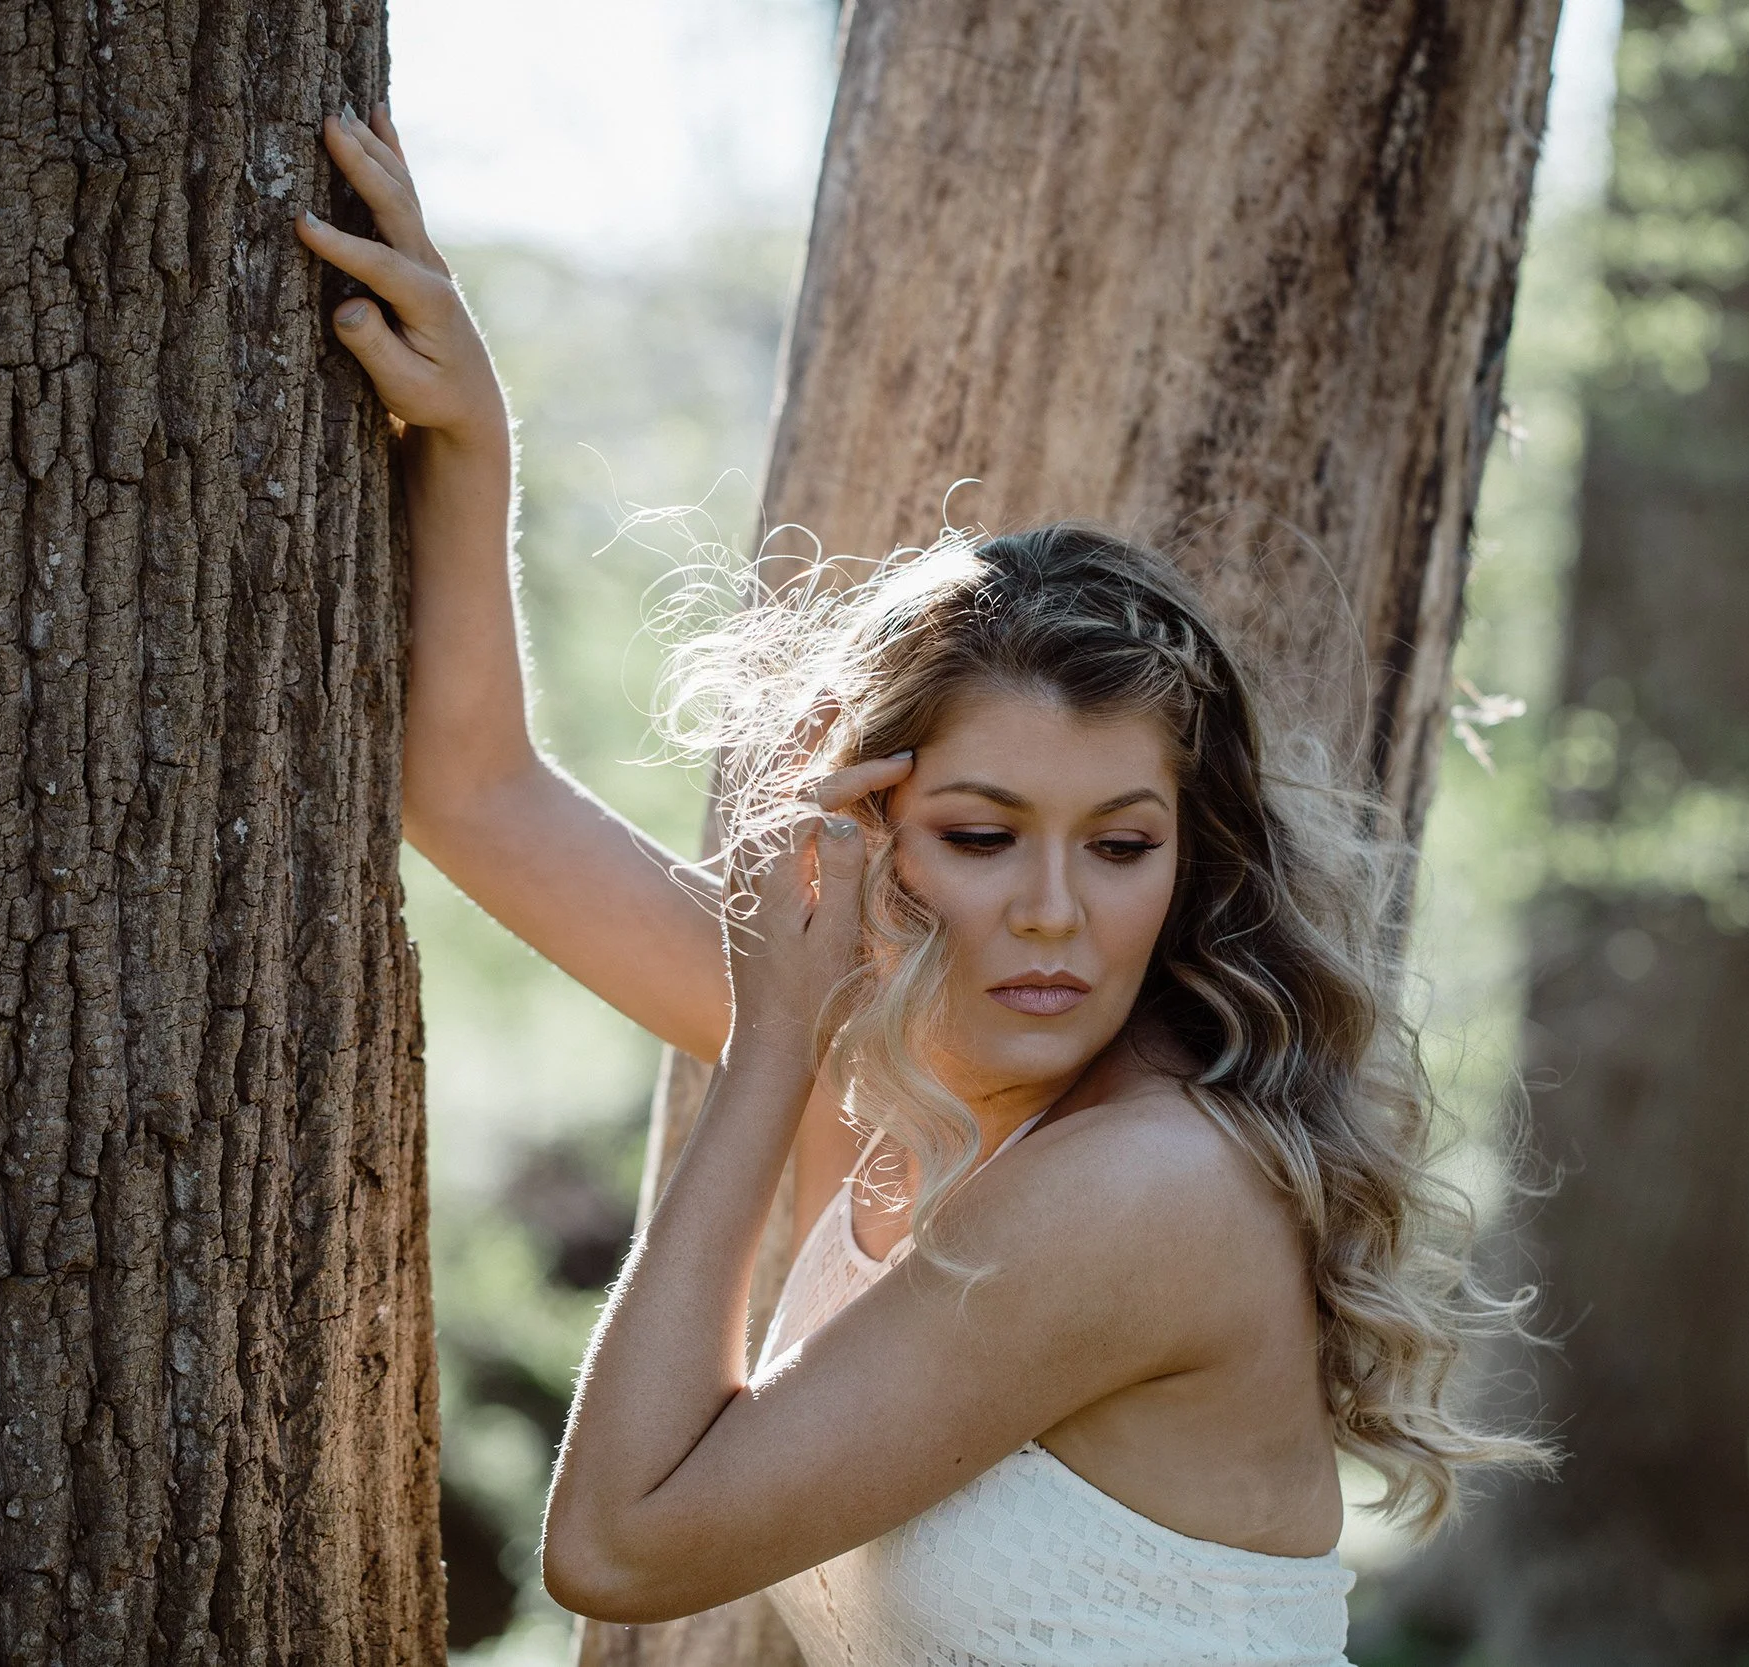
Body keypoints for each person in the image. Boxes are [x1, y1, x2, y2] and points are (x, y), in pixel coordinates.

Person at [298, 105, 1535, 1666]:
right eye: (980, 830)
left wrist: (771, 1051)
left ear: (1192, 857)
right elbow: (475, 798)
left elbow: (618, 1543)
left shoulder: (1142, 1187)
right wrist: (475, 442)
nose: (1050, 913)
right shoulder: (907, 1041)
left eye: (1120, 843)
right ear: (873, 829)